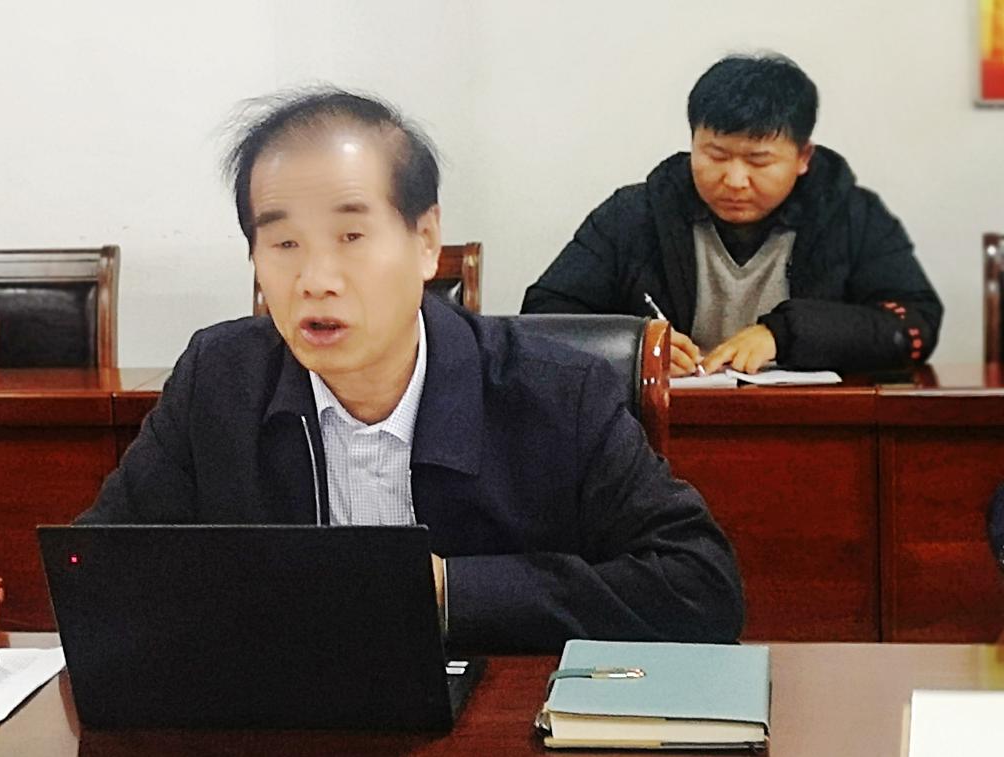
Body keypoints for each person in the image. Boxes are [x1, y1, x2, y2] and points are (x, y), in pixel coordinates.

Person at [76, 88, 744, 653]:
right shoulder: (218, 380)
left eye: (351, 237)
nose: (315, 279)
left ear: (425, 241)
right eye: (283, 243)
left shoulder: (556, 391)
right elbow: (96, 574)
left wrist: (450, 591)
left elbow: (701, 587)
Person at [522, 53, 943, 377]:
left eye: (759, 161)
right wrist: (633, 348)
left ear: (803, 157)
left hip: (812, 424)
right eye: (716, 155)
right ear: (693, 143)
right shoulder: (635, 214)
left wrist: (784, 335)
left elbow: (915, 325)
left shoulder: (851, 215)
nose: (735, 180)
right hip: (661, 427)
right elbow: (543, 316)